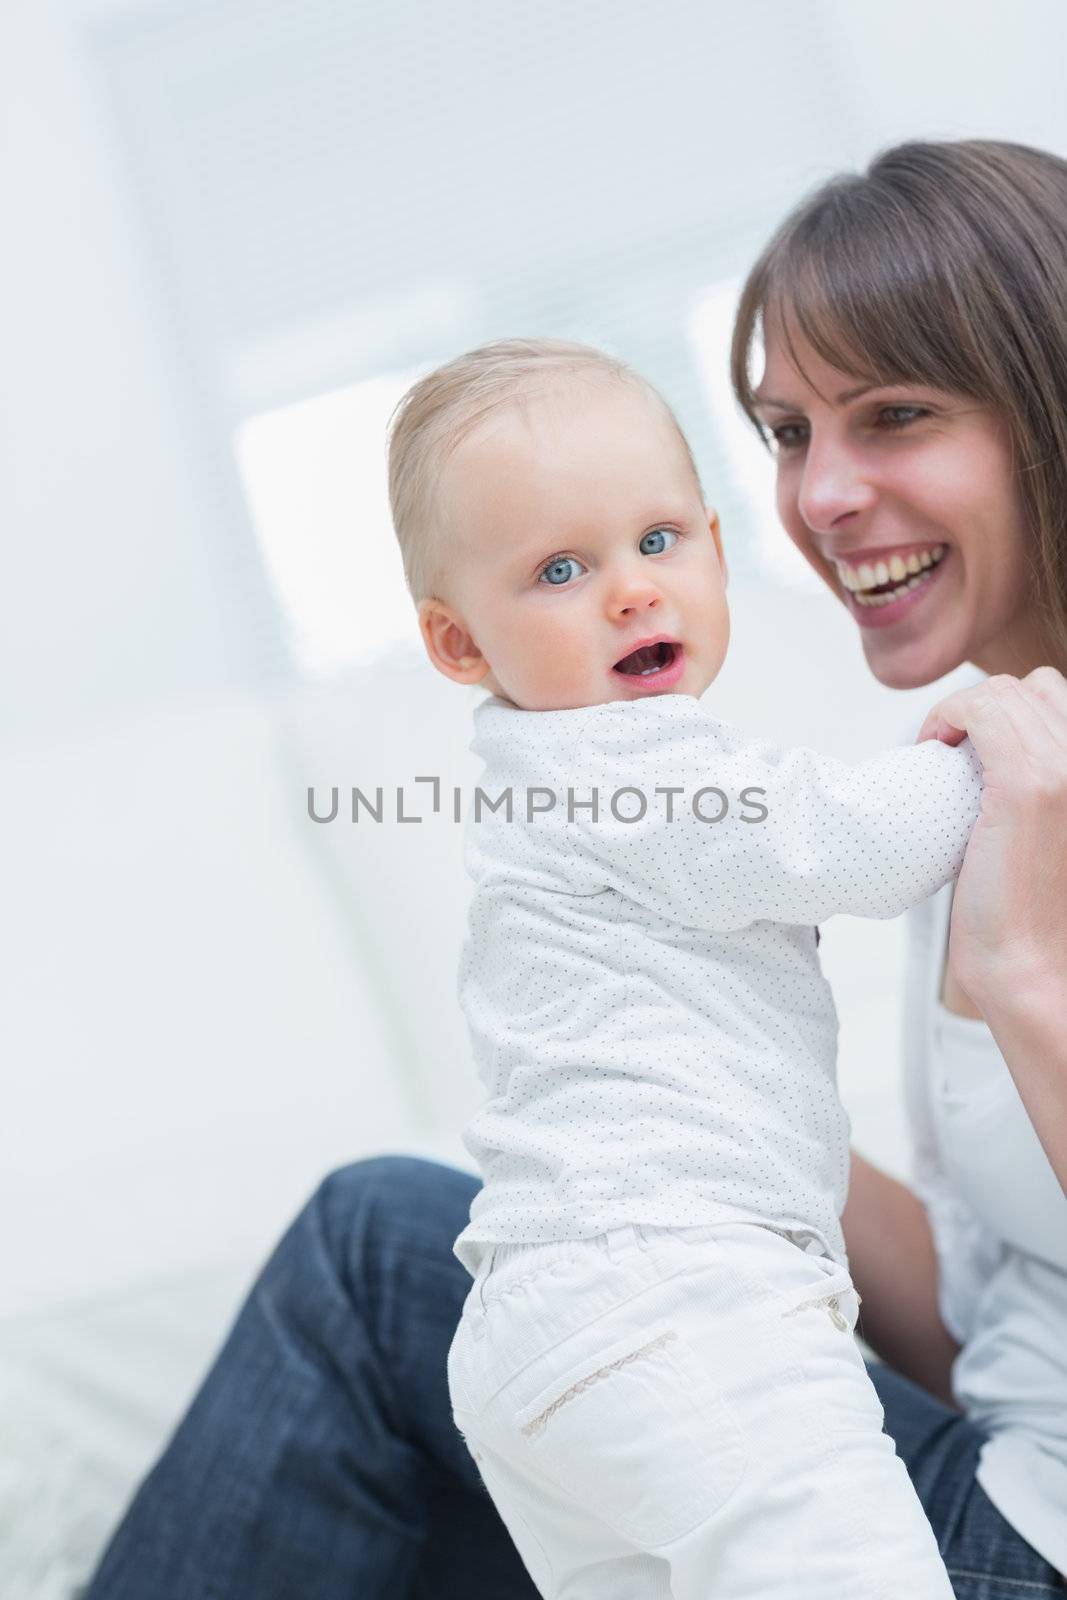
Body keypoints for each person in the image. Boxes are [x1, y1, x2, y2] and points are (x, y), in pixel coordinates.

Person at [85, 139, 1067, 1599]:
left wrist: (1019, 974)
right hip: (985, 1472)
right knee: (437, 1265)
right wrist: (651, 1088)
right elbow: (988, 1331)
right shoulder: (987, 776)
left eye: (895, 415)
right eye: (789, 433)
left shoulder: (978, 807)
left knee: (374, 1259)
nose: (819, 496)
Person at [388, 334, 982, 1596]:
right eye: (559, 569)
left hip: (538, 1338)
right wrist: (996, 748)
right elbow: (846, 844)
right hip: (680, 1295)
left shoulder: (534, 784)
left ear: (715, 546)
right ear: (457, 644)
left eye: (658, 541)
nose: (629, 591)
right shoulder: (626, 765)